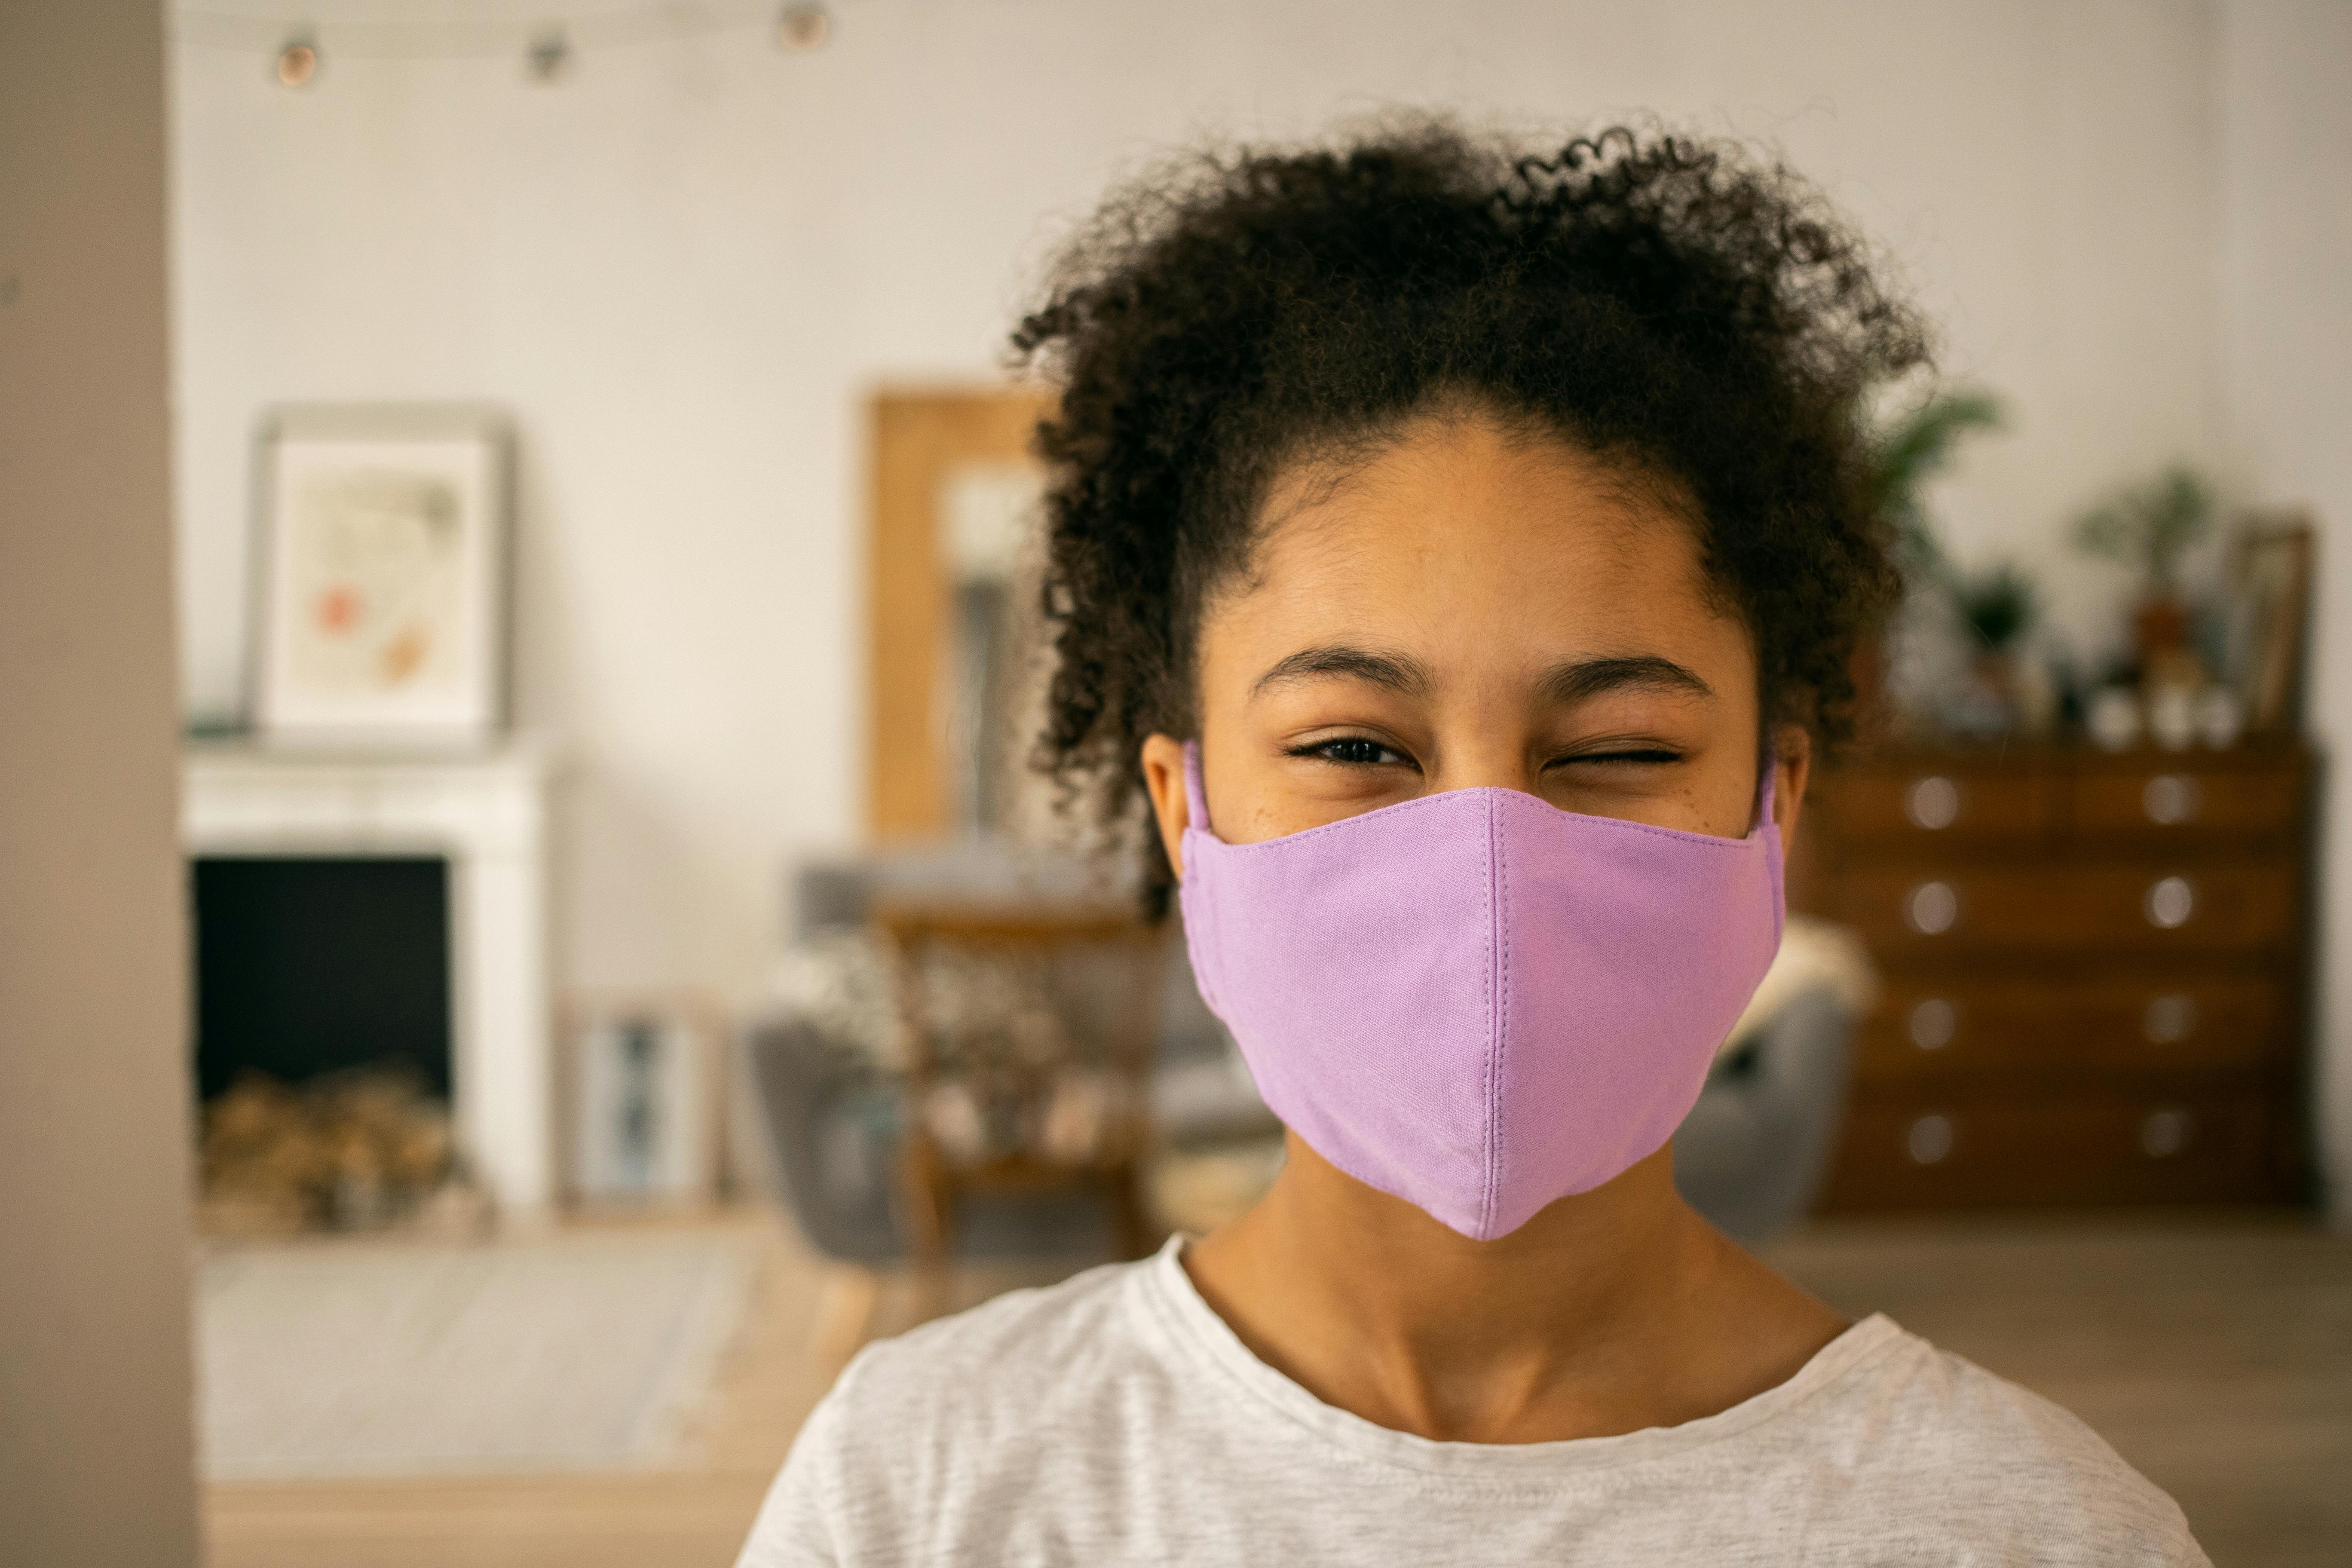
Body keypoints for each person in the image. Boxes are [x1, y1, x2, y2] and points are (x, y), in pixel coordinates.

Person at [737, 121, 2206, 1565]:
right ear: (1187, 812)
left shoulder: (2043, 1533)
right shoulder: (914, 1490)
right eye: (1355, 748)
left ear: (1779, 802)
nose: (1487, 870)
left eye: (1621, 751)